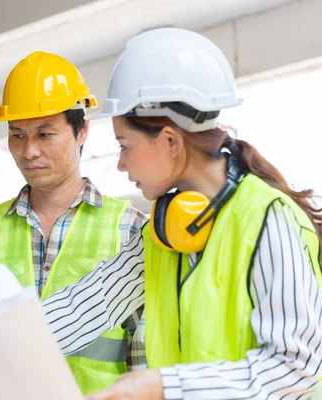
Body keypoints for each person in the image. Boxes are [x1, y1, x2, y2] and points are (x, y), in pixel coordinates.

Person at [42, 28, 322, 399]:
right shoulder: (167, 230)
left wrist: (161, 387)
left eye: (125, 145)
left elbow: (295, 369)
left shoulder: (268, 220)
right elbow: (88, 304)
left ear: (171, 141)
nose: (122, 164)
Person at [0, 51, 147, 395]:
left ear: (82, 132)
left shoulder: (132, 231)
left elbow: (147, 361)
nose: (29, 151)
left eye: (44, 134)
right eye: (17, 135)